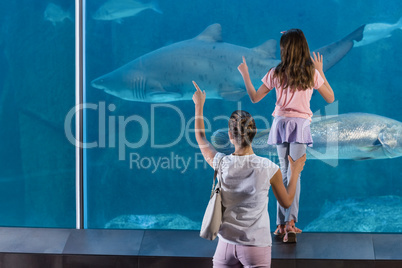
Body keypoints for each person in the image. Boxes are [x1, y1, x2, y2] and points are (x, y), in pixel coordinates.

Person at [192, 81, 306, 268]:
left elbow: (201, 137)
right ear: (253, 134)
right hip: (256, 247)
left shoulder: (221, 163)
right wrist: (294, 172)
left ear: (230, 135)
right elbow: (286, 202)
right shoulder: (268, 167)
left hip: (225, 247)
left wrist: (199, 105)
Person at [237, 29, 334, 243]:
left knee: (283, 172)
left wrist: (244, 73)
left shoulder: (276, 72)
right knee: (295, 172)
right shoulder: (311, 73)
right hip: (299, 125)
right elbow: (330, 97)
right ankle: (290, 223)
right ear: (303, 49)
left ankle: (280, 224)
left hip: (280, 124)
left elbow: (254, 98)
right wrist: (321, 70)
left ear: (284, 50)